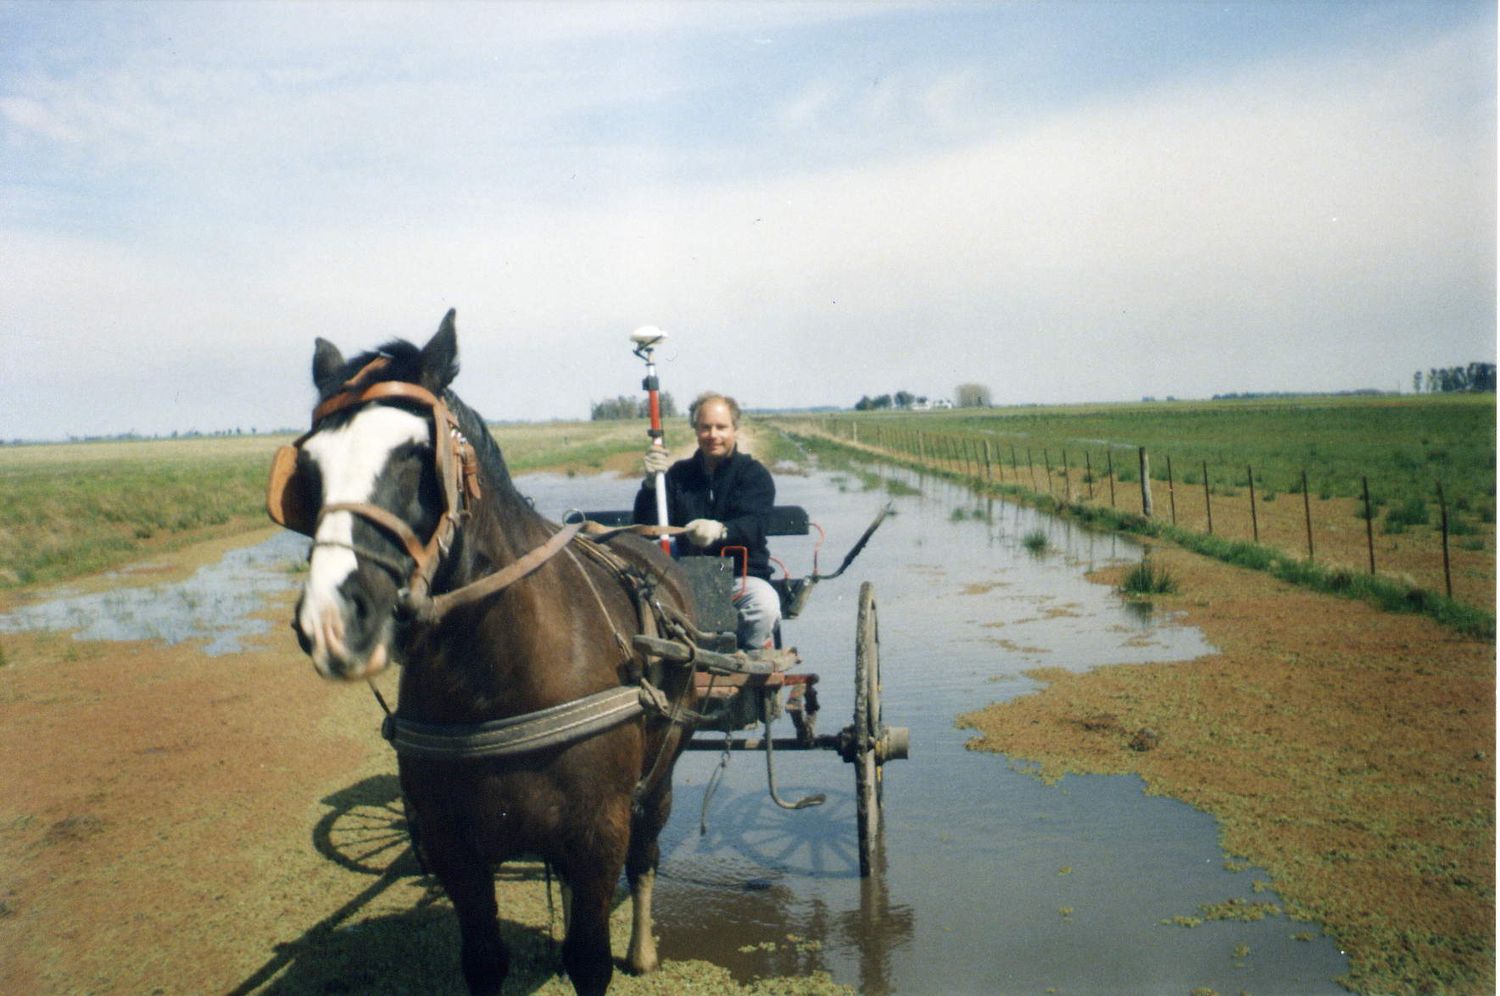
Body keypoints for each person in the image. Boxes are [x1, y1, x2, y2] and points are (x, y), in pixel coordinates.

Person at [634, 391, 781, 650]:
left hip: (742, 577)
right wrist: (649, 485)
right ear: (696, 430)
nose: (713, 435)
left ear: (735, 429)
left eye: (721, 427)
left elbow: (754, 525)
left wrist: (721, 531)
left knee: (764, 606)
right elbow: (647, 525)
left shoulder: (754, 475)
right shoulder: (677, 475)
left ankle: (748, 658)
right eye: (705, 428)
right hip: (687, 578)